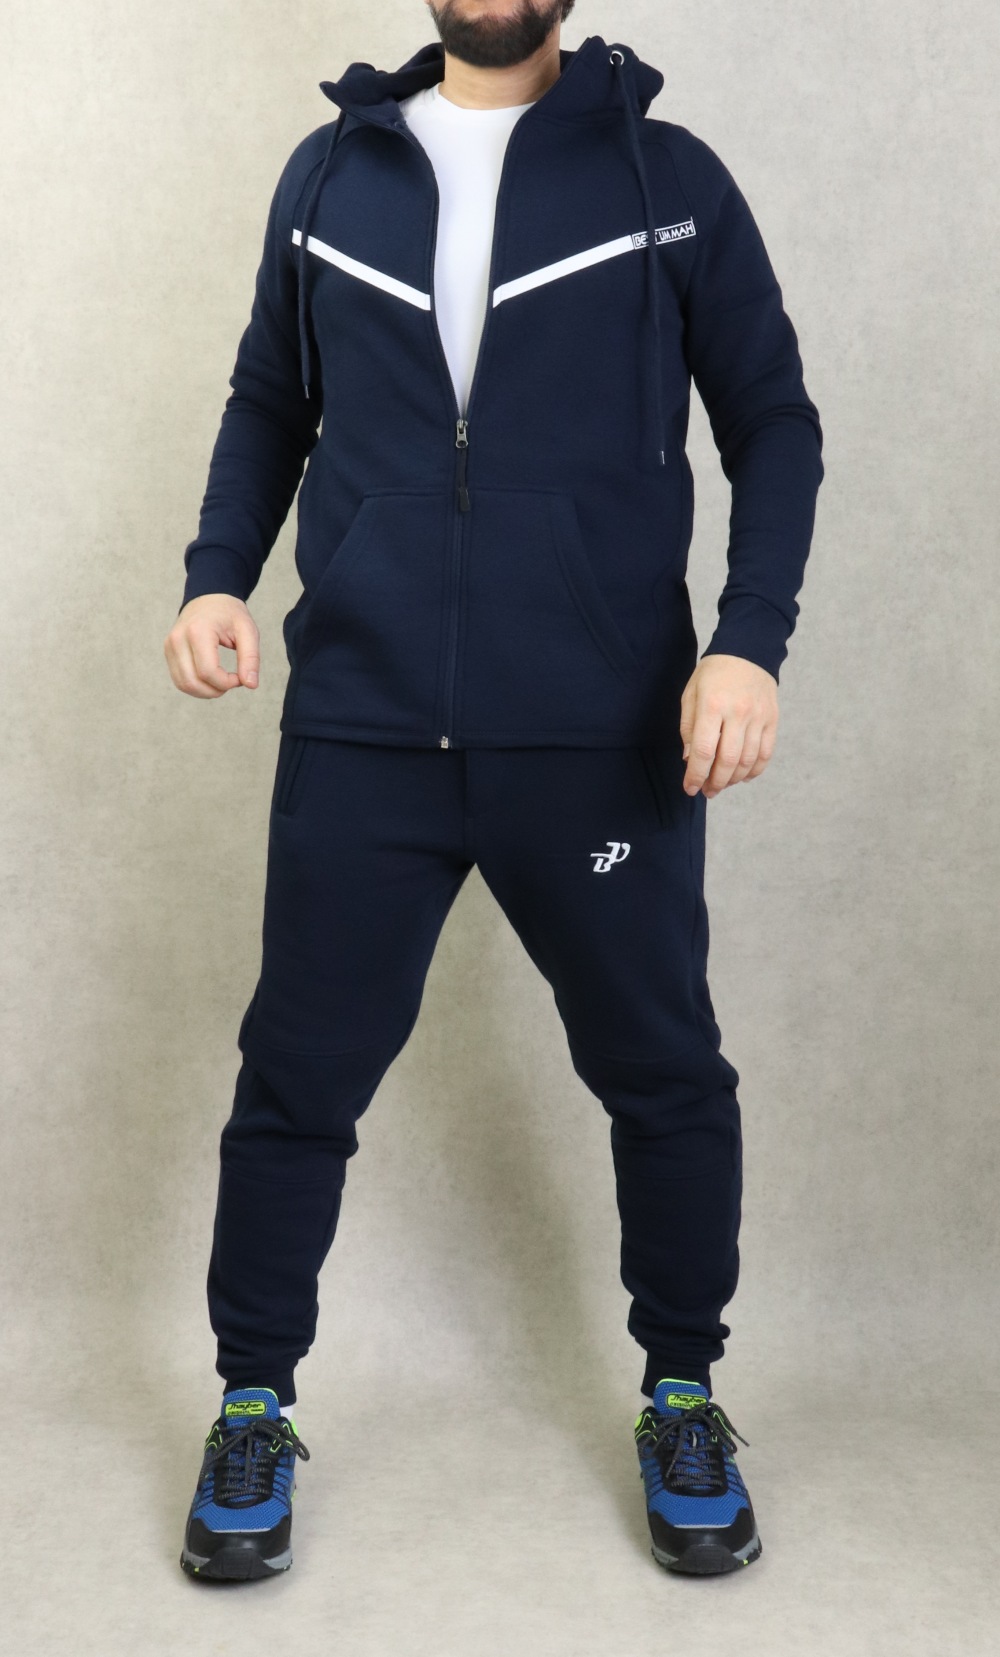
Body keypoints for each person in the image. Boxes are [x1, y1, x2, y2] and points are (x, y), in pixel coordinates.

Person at [164, 0, 823, 1582]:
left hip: (600, 731)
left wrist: (748, 644)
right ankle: (252, 1400)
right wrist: (216, 575)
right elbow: (270, 399)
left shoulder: (668, 180)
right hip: (367, 725)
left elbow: (774, 422)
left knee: (663, 1070)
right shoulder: (333, 174)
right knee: (294, 1080)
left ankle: (683, 1392)